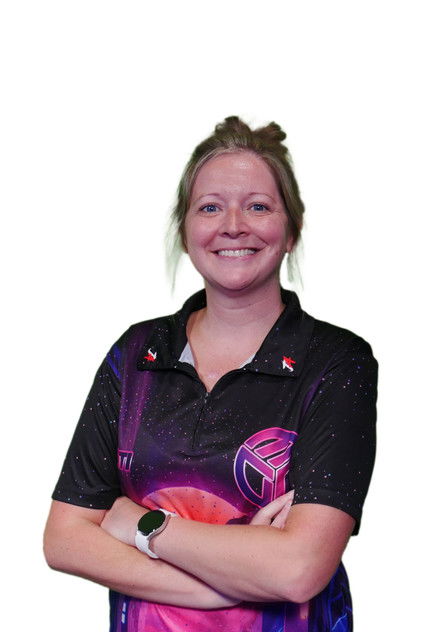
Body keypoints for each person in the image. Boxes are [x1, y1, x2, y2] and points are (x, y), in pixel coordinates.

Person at [44, 116, 378, 631]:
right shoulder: (135, 355)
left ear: (292, 230)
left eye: (258, 206)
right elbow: (64, 539)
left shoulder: (336, 362)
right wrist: (229, 583)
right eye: (210, 207)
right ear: (185, 231)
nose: (233, 225)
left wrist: (141, 524)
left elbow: (298, 571)